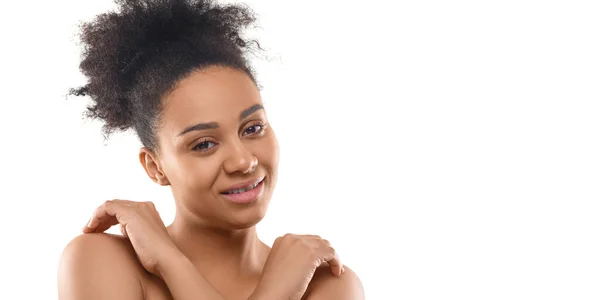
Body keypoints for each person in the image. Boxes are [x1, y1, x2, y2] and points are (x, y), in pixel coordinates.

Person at [57, 0, 365, 299]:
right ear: (155, 166)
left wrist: (171, 263)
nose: (244, 161)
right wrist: (171, 262)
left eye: (253, 128)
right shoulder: (100, 260)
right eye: (204, 144)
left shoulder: (328, 284)